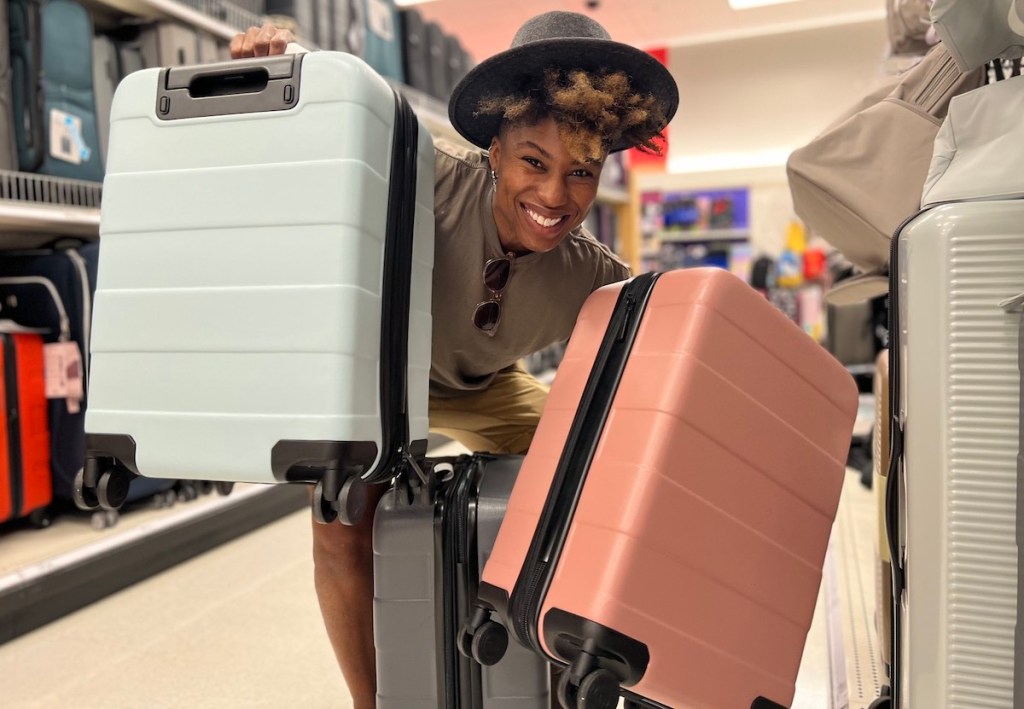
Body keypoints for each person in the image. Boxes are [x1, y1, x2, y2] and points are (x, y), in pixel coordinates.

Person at [231, 12, 678, 709]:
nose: (555, 196)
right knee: (341, 524)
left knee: (599, 476)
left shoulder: (595, 278)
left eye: (581, 172)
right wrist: (280, 57)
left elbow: (650, 386)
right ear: (495, 149)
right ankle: (371, 702)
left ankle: (570, 678)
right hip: (376, 373)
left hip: (482, 386)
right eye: (535, 161)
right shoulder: (424, 176)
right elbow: (339, 114)